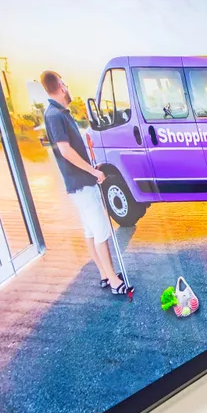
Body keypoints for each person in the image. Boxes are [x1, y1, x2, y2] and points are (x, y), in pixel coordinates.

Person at [41, 70, 133, 298]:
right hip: (82, 184)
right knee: (101, 232)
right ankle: (114, 281)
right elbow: (65, 151)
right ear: (61, 87)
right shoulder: (55, 115)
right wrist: (92, 172)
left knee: (91, 231)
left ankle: (104, 274)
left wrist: (92, 164)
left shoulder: (60, 113)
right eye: (66, 84)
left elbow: (72, 147)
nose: (68, 88)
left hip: (80, 183)